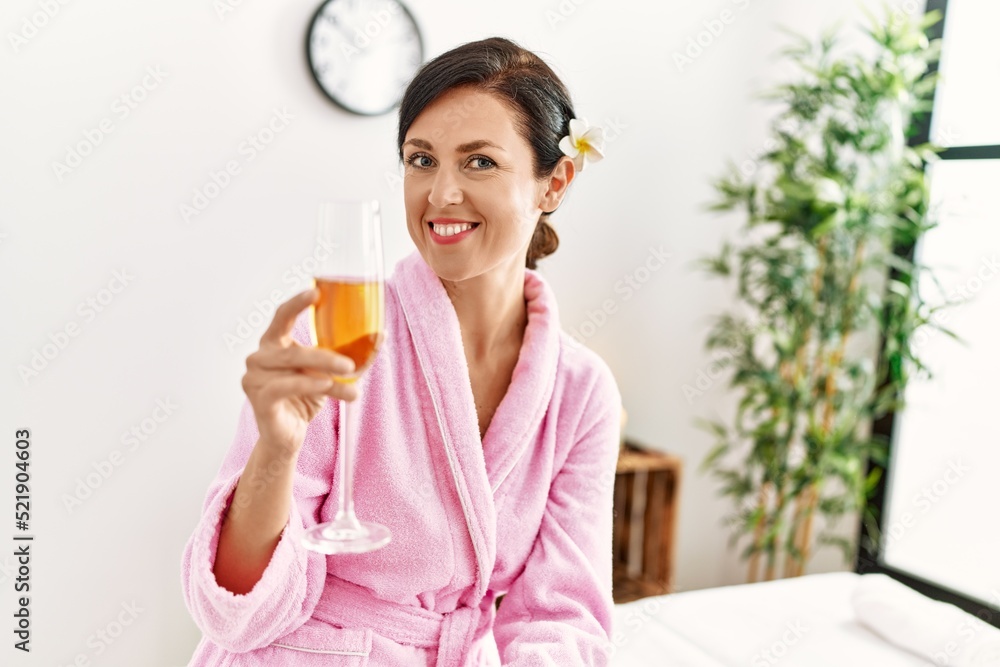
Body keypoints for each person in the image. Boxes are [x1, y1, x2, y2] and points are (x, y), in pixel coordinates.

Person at [180, 36, 622, 666]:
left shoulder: (579, 391)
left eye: (479, 162)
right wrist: (274, 453)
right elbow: (234, 614)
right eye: (421, 160)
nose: (440, 194)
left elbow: (562, 619)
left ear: (554, 182)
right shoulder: (330, 341)